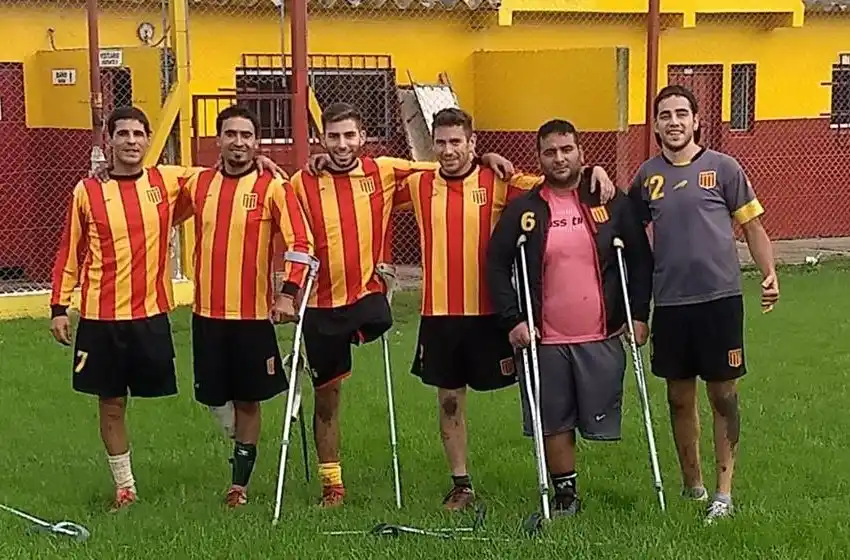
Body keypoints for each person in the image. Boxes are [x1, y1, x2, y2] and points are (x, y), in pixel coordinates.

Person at [291, 102, 514, 507]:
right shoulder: (316, 181)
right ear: (323, 138)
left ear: (363, 137)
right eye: (334, 136)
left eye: (349, 135)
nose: (342, 144)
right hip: (350, 306)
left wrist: (485, 157)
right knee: (334, 395)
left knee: (520, 393)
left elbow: (535, 184)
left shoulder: (394, 172)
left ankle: (554, 484)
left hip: (475, 310)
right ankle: (338, 485)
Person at [394, 108, 617, 511]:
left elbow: (557, 182)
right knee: (449, 401)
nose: (448, 150)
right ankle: (461, 484)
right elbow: (367, 178)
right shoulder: (417, 184)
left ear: (472, 143)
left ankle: (559, 484)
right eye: (441, 142)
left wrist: (596, 169)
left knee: (539, 393)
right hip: (440, 314)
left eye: (456, 142)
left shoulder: (497, 182)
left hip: (494, 313)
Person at [486, 119, 653, 517]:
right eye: (550, 152)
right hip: (544, 337)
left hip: (602, 332)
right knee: (553, 418)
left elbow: (641, 260)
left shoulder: (609, 201)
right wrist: (513, 320)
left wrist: (640, 315)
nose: (559, 158)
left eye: (566, 150)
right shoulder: (524, 209)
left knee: (596, 417)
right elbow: (495, 264)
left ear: (580, 152)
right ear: (539, 157)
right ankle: (565, 495)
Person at [628, 84, 779, 524]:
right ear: (655, 124)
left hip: (720, 300)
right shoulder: (646, 177)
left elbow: (752, 227)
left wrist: (769, 274)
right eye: (665, 115)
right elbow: (631, 238)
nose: (673, 122)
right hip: (671, 304)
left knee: (723, 394)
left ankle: (723, 492)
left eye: (681, 114)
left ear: (696, 120)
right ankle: (692, 486)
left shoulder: (724, 168)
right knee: (678, 397)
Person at [49, 106, 196, 511]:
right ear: (109, 140)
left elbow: (222, 177)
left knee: (196, 389)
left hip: (150, 315)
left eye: (138, 134)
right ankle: (125, 487)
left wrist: (265, 162)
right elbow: (70, 250)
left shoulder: (166, 182)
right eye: (123, 134)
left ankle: (239, 460)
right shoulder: (87, 191)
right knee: (110, 402)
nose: (131, 141)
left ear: (149, 139)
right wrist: (59, 306)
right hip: (101, 318)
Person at [178, 105, 315, 508]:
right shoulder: (197, 184)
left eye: (247, 136)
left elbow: (301, 243)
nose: (239, 142)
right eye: (231, 134)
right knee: (213, 398)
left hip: (252, 317)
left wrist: (288, 293)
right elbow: (153, 202)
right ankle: (238, 443)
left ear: (257, 142)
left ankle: (239, 484)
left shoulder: (273, 187)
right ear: (218, 140)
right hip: (206, 314)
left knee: (248, 399)